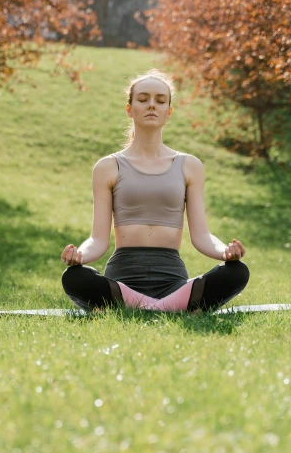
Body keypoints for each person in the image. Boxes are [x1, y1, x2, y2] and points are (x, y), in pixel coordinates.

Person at [60, 69, 249, 313]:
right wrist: (79, 256)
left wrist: (225, 252)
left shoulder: (189, 165)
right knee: (74, 277)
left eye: (160, 101)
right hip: (122, 281)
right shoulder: (108, 167)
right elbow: (98, 240)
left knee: (237, 272)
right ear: (129, 109)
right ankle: (171, 309)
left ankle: (139, 308)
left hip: (173, 280)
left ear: (168, 112)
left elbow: (201, 236)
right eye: (143, 99)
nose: (152, 105)